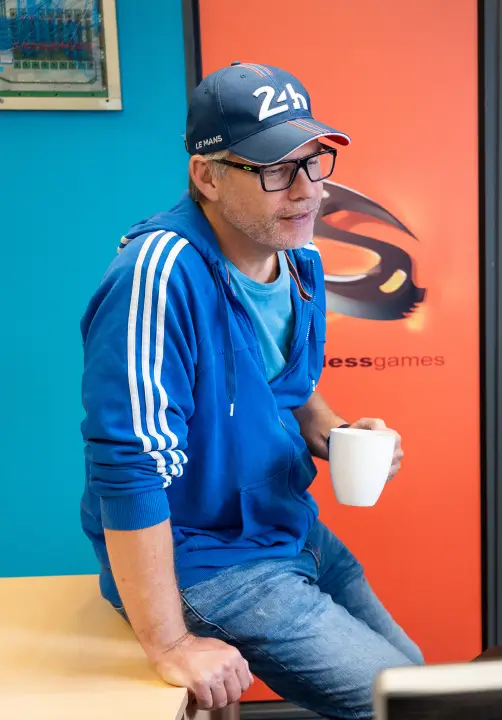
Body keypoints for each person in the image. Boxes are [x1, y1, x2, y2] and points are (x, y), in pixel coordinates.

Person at [79, 62, 422, 719]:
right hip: (205, 554)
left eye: (312, 162)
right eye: (273, 171)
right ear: (206, 176)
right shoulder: (158, 275)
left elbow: (289, 389)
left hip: (284, 527)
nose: (306, 192)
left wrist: (341, 435)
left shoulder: (300, 260)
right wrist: (170, 640)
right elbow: (128, 470)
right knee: (400, 708)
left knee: (420, 686)